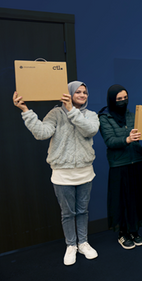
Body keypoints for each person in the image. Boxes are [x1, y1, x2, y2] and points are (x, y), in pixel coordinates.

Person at [12, 81, 99, 266]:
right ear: (68, 93)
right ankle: (71, 245)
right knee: (68, 213)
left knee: (82, 211)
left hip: (85, 172)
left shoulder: (91, 115)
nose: (82, 95)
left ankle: (83, 243)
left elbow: (90, 130)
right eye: (78, 92)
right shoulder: (55, 114)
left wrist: (72, 111)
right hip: (62, 173)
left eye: (85, 92)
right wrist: (26, 110)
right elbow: (42, 133)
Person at [99, 85, 142, 250]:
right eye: (119, 99)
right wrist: (127, 140)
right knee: (121, 200)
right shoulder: (104, 118)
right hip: (119, 165)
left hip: (136, 161)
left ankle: (134, 230)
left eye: (125, 98)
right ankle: (123, 233)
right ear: (112, 100)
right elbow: (109, 141)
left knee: (136, 197)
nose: (123, 101)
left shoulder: (132, 115)